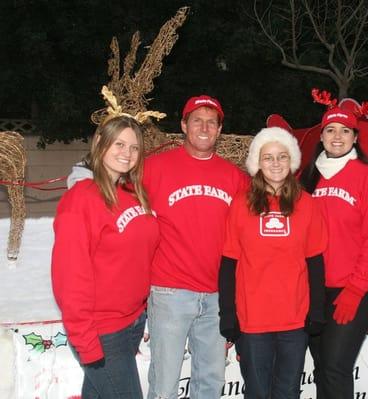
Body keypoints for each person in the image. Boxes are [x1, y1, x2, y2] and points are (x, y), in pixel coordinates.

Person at [144, 95, 248, 399]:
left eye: (211, 122)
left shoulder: (234, 177)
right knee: (164, 383)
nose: (204, 127)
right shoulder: (153, 168)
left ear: (219, 130)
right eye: (197, 120)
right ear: (183, 126)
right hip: (170, 292)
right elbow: (116, 200)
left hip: (217, 296)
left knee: (211, 382)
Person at [52, 115, 160, 398]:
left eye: (134, 148)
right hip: (102, 331)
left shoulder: (132, 193)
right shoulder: (81, 199)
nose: (127, 153)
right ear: (100, 142)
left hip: (133, 321)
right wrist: (86, 342)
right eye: (119, 144)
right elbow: (70, 276)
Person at [218, 127, 327, 399]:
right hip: (253, 320)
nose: (275, 163)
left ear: (292, 161)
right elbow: (229, 263)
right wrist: (227, 314)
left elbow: (315, 262)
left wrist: (316, 311)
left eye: (282, 156)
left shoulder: (308, 204)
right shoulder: (240, 205)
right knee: (257, 392)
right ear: (257, 163)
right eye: (268, 157)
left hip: (294, 319)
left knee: (288, 392)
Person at [299, 107, 368, 399]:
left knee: (335, 368)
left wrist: (356, 288)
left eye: (344, 131)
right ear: (322, 137)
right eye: (330, 130)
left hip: (352, 288)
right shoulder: (308, 178)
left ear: (355, 137)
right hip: (313, 289)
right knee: (322, 365)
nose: (337, 136)